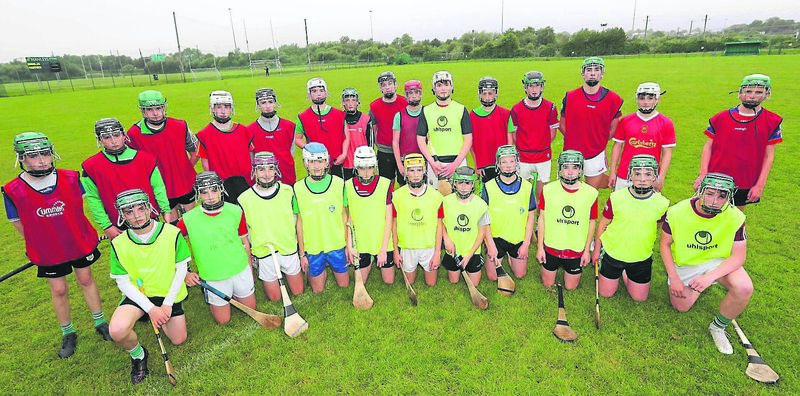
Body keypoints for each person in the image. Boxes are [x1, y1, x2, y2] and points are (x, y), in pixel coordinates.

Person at [2, 132, 110, 359]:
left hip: (76, 241)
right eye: (33, 156)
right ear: (21, 158)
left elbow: (76, 210)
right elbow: (18, 223)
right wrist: (40, 241)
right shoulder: (13, 189)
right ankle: (68, 332)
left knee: (86, 279)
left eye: (45, 154)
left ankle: (100, 322)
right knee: (59, 289)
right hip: (48, 249)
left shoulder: (70, 177)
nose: (41, 160)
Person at [660, 173, 750, 355]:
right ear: (700, 191)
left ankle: (717, 327)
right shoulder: (677, 211)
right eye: (709, 193)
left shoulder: (735, 217)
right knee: (681, 307)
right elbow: (664, 245)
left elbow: (739, 256)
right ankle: (697, 285)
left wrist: (709, 277)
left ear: (729, 197)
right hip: (687, 263)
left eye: (722, 196)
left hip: (718, 262)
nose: (715, 201)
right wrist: (674, 278)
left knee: (744, 288)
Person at [107, 189, 190, 384]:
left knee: (179, 340)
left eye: (140, 208)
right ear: (122, 215)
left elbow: (181, 270)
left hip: (168, 294)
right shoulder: (118, 243)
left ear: (149, 207)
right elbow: (122, 281)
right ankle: (138, 355)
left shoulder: (172, 233)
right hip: (139, 296)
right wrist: (150, 309)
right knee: (117, 330)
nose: (136, 216)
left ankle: (158, 317)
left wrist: (167, 305)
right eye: (129, 212)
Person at [694, 74, 783, 208]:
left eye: (759, 92)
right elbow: (708, 147)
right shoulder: (720, 117)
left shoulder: (772, 121)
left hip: (745, 181)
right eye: (748, 91)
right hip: (714, 177)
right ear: (740, 93)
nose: (752, 96)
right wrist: (702, 174)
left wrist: (759, 185)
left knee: (735, 220)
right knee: (705, 214)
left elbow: (768, 156)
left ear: (767, 94)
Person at [179, 172, 256, 324]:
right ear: (198, 194)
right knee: (223, 321)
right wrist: (184, 271)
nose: (210, 196)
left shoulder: (235, 211)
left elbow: (244, 242)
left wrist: (249, 269)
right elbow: (172, 242)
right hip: (213, 275)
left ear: (221, 189)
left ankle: (236, 291)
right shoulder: (188, 219)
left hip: (239, 269)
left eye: (214, 190)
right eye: (204, 192)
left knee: (250, 309)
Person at [592, 155, 669, 301]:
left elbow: (657, 225)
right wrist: (596, 250)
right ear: (630, 176)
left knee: (639, 299)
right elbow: (603, 224)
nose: (642, 179)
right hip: (613, 253)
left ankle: (626, 272)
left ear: (655, 177)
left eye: (648, 174)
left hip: (641, 257)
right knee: (606, 294)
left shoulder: (662, 203)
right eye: (637, 174)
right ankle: (613, 267)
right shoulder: (616, 198)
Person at [81, 118, 171, 239]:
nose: (113, 141)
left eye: (117, 135)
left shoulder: (146, 159)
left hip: (148, 218)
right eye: (107, 137)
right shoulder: (91, 166)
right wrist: (107, 226)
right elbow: (93, 198)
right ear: (99, 140)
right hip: (118, 225)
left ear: (124, 135)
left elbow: (158, 187)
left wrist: (166, 210)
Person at [238, 152, 305, 300]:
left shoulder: (288, 191)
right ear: (254, 171)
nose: (266, 174)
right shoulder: (244, 199)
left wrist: (301, 252)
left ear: (276, 170)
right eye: (261, 169)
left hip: (288, 248)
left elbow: (297, 220)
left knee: (299, 293)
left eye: (270, 168)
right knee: (274, 299)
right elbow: (244, 233)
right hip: (264, 253)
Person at [127, 90, 199, 221]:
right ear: (142, 111)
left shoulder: (180, 125)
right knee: (172, 226)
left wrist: (184, 169)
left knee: (192, 222)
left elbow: (195, 151)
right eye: (150, 109)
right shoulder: (133, 134)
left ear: (164, 107)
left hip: (185, 184)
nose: (155, 113)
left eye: (158, 108)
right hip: (160, 189)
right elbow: (134, 167)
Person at [536, 150, 598, 290]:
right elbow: (542, 219)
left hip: (575, 248)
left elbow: (592, 222)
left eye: (575, 167)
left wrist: (587, 250)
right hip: (552, 247)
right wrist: (540, 248)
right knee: (547, 285)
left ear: (581, 169)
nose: (570, 172)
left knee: (571, 288)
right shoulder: (548, 190)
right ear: (560, 169)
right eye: (566, 167)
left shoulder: (591, 193)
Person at [560, 57, 624, 190]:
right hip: (571, 152)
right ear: (583, 73)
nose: (593, 73)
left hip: (596, 153)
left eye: (597, 70)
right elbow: (562, 124)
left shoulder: (613, 99)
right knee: (568, 191)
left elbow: (614, 127)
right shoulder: (570, 96)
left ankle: (622, 184)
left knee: (591, 193)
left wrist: (598, 141)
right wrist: (575, 139)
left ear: (602, 73)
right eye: (589, 70)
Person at [294, 143, 349, 293]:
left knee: (344, 286)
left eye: (320, 161)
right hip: (313, 247)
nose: (316, 166)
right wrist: (302, 253)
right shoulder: (298, 188)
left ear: (327, 162)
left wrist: (348, 246)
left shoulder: (339, 184)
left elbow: (346, 218)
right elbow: (299, 223)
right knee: (317, 291)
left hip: (336, 244)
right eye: (312, 162)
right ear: (305, 163)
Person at [481, 145, 537, 279]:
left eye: (512, 161)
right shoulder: (488, 186)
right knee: (493, 277)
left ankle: (512, 257)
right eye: (504, 162)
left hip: (517, 238)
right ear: (498, 164)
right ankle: (499, 254)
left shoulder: (527, 186)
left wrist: (526, 244)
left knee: (520, 275)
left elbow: (530, 217)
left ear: (517, 163)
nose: (508, 165)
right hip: (496, 238)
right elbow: (483, 218)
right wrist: (490, 244)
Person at [609, 82, 675, 191]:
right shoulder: (625, 121)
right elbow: (617, 146)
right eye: (642, 98)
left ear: (657, 99)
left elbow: (667, 152)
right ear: (637, 99)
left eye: (650, 98)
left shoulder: (666, 123)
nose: (645, 102)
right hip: (624, 175)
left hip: (650, 177)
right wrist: (612, 172)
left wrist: (661, 177)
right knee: (620, 206)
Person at [416, 70, 473, 195]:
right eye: (439, 85)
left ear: (452, 87)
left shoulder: (461, 109)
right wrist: (432, 162)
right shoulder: (426, 111)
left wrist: (455, 165)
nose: (443, 89)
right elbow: (420, 139)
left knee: (460, 199)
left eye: (446, 84)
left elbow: (468, 139)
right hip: (435, 164)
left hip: (458, 162)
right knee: (435, 201)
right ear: (433, 89)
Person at [391, 153, 444, 286]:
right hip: (407, 247)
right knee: (409, 282)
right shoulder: (396, 196)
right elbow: (394, 225)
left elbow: (439, 226)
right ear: (405, 172)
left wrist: (437, 252)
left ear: (425, 171)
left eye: (419, 170)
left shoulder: (436, 196)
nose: (415, 175)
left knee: (431, 284)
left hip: (428, 247)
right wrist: (396, 252)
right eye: (411, 170)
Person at [345, 146, 395, 284]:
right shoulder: (348, 186)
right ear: (356, 167)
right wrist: (350, 246)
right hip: (361, 242)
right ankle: (369, 258)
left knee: (389, 281)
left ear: (375, 166)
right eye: (362, 168)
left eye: (369, 167)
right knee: (360, 282)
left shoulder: (385, 184)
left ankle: (377, 255)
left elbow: (389, 220)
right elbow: (348, 220)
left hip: (381, 240)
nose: (366, 172)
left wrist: (384, 249)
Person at [441, 166, 497, 286]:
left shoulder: (481, 204)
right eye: (460, 183)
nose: (463, 187)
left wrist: (469, 255)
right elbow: (440, 222)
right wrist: (446, 239)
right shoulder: (446, 202)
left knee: (474, 284)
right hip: (453, 250)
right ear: (454, 183)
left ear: (473, 185)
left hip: (473, 251)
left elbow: (482, 233)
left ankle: (470, 262)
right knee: (453, 281)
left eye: (467, 183)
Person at [196, 90, 255, 204]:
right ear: (212, 108)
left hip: (245, 181)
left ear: (231, 108)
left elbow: (251, 155)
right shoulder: (205, 135)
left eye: (227, 107)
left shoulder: (243, 131)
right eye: (218, 107)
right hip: (222, 183)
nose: (223, 111)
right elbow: (205, 163)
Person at [510, 71, 559, 198]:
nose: (534, 89)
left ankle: (540, 218)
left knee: (541, 195)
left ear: (542, 87)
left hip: (543, 157)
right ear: (525, 87)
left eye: (537, 85)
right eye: (530, 86)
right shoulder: (516, 109)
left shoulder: (551, 107)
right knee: (523, 194)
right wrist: (523, 146)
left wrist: (542, 144)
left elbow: (553, 132)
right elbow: (514, 134)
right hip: (523, 157)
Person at [294, 77, 349, 178]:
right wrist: (309, 148)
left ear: (326, 92)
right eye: (314, 91)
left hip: (336, 161)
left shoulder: (339, 115)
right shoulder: (303, 117)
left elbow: (346, 137)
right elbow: (297, 138)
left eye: (321, 90)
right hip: (315, 163)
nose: (318, 94)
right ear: (309, 94)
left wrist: (344, 154)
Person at [249, 88, 298, 185]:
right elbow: (251, 158)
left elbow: (291, 152)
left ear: (275, 103)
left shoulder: (289, 126)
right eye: (263, 102)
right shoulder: (250, 130)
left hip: (287, 175)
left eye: (270, 102)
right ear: (258, 105)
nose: (267, 106)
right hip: (264, 177)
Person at [469, 76, 513, 183]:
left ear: (496, 93)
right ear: (479, 94)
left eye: (490, 93)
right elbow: (470, 144)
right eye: (484, 93)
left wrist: (507, 162)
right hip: (483, 165)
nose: (487, 97)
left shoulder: (505, 114)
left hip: (501, 164)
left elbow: (510, 141)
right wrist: (477, 165)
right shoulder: (472, 116)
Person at [370, 71, 408, 183]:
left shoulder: (405, 103)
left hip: (403, 150)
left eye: (390, 83)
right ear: (380, 88)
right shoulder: (374, 106)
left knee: (405, 182)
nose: (387, 87)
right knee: (387, 183)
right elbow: (373, 129)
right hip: (384, 151)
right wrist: (378, 146)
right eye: (384, 85)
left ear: (396, 85)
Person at [392, 80, 424, 186]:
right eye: (410, 93)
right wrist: (399, 165)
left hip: (424, 161)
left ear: (420, 94)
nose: (414, 96)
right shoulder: (399, 116)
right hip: (405, 161)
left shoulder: (427, 113)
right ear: (406, 95)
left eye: (416, 92)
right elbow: (395, 142)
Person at [342, 87, 375, 181]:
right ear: (343, 103)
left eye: (353, 100)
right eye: (347, 100)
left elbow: (371, 144)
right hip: (345, 163)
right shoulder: (339, 118)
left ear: (357, 102)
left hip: (362, 162)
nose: (350, 103)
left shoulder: (366, 119)